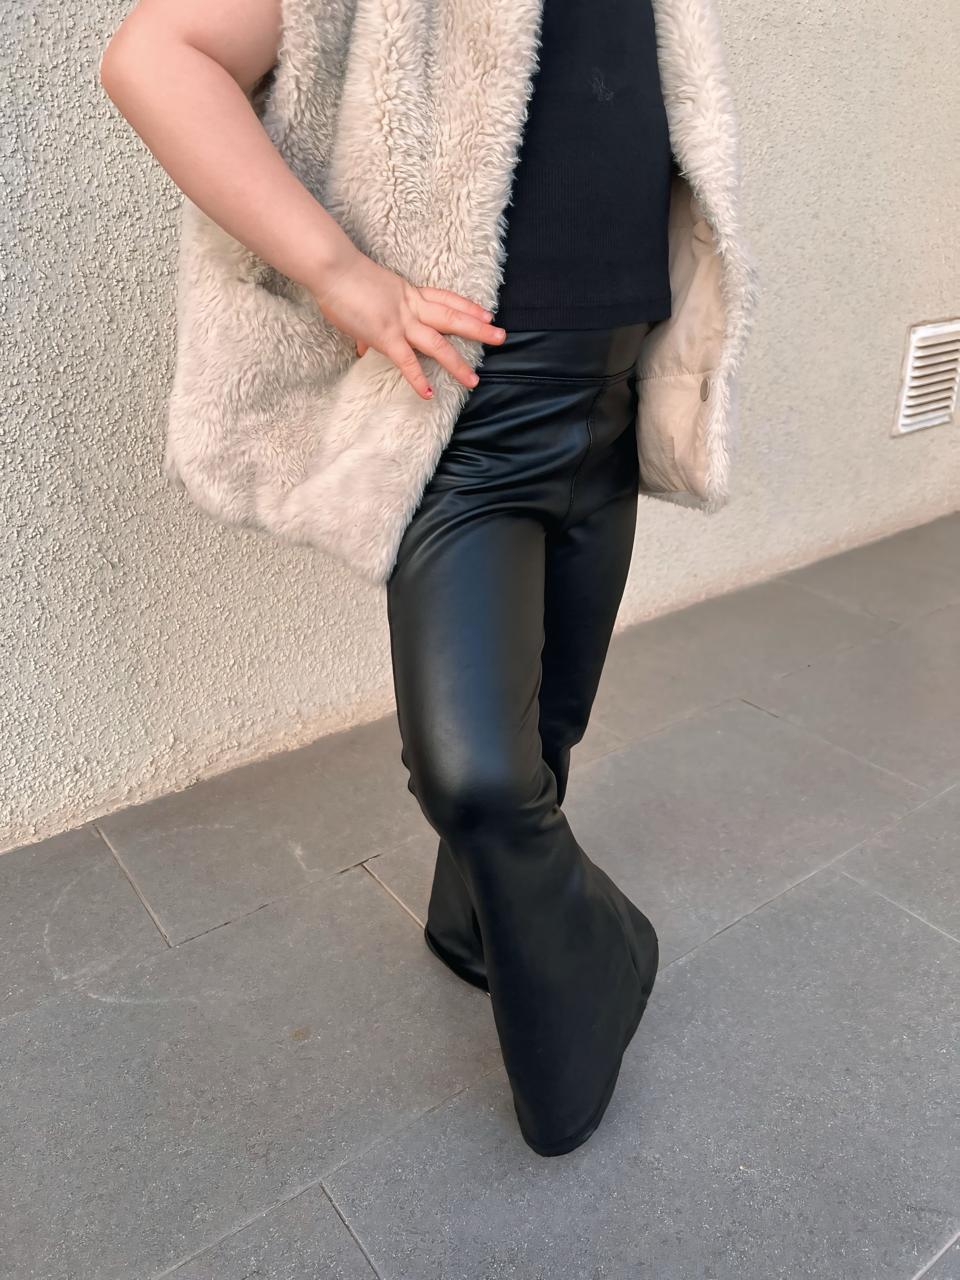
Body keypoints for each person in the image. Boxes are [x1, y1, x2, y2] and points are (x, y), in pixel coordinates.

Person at [100, 0, 757, 1156]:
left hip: (610, 394)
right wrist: (340, 274)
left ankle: (471, 921)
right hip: (468, 412)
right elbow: (155, 57)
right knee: (477, 775)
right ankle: (609, 951)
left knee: (545, 728)